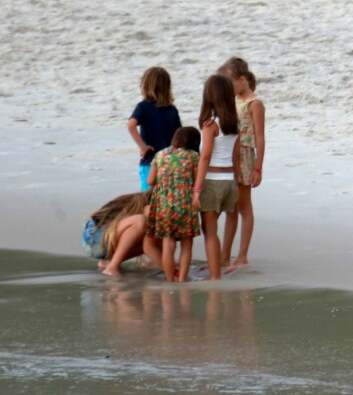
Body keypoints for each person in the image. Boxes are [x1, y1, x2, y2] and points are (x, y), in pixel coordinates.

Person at [218, 58, 266, 273]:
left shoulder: (254, 103)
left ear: (243, 79)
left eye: (230, 84)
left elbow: (260, 137)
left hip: (245, 156)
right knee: (230, 207)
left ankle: (242, 256)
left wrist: (258, 168)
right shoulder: (234, 100)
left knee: (244, 208)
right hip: (230, 156)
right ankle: (224, 256)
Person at [193, 75, 240, 280]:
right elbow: (236, 156)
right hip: (229, 181)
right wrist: (236, 184)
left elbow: (205, 157)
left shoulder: (210, 124)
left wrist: (196, 189)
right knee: (211, 228)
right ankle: (217, 264)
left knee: (209, 231)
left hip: (212, 181)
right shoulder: (233, 123)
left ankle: (214, 276)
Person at [145, 126, 202, 282]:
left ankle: (170, 279)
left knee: (168, 244)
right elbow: (198, 181)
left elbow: (149, 181)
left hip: (163, 204)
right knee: (186, 243)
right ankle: (182, 279)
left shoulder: (160, 155)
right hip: (185, 203)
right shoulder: (193, 156)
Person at [128, 67, 182, 191]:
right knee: (167, 198)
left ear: (145, 86)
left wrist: (142, 147)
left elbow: (131, 125)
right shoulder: (172, 110)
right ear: (168, 88)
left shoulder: (143, 107)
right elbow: (179, 137)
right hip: (169, 163)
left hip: (150, 160)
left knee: (148, 199)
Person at [81, 190, 152, 276]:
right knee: (139, 221)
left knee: (153, 237)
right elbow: (149, 247)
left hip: (94, 241)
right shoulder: (150, 205)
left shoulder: (142, 200)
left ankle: (109, 262)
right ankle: (113, 267)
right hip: (94, 239)